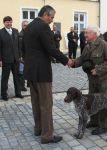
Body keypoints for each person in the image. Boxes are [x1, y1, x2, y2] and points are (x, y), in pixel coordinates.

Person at [21, 5, 72, 144]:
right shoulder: (43, 27)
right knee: (46, 104)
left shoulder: (29, 26)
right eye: (51, 17)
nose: (52, 20)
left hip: (30, 70)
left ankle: (39, 129)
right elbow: (51, 49)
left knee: (36, 102)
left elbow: (23, 48)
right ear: (45, 15)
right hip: (41, 71)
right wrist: (67, 60)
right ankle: (47, 136)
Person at [69, 25, 107, 135]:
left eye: (87, 33)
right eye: (85, 33)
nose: (84, 35)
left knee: (104, 103)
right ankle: (94, 122)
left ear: (94, 34)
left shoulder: (104, 45)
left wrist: (98, 69)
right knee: (92, 102)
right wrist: (73, 62)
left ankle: (104, 126)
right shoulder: (88, 45)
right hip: (92, 80)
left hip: (103, 80)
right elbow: (82, 58)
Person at [0, 16, 23, 101]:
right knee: (5, 77)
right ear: (4, 23)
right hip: (6, 59)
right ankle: (4, 94)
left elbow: (18, 44)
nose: (9, 24)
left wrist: (20, 55)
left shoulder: (15, 31)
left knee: (17, 77)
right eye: (7, 22)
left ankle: (18, 92)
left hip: (15, 58)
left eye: (10, 22)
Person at [19, 21, 29, 92]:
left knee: (29, 70)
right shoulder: (20, 35)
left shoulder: (30, 34)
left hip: (29, 55)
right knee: (21, 71)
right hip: (23, 55)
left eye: (27, 25)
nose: (26, 26)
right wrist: (20, 56)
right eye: (24, 25)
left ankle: (29, 83)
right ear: (22, 26)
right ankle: (22, 85)